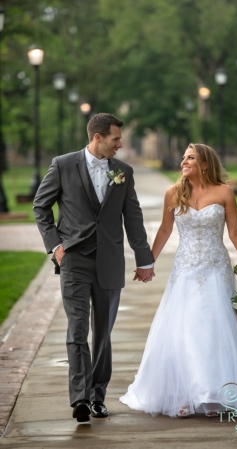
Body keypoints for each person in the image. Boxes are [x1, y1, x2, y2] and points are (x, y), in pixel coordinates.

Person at [120, 143, 237, 418]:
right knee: (185, 329)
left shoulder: (224, 193)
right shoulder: (173, 193)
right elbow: (164, 230)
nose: (184, 162)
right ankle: (183, 394)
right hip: (185, 271)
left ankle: (215, 393)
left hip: (216, 270)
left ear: (205, 164)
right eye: (183, 157)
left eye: (190, 158)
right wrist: (148, 263)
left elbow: (236, 233)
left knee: (213, 330)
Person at [33, 112, 155, 423]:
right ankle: (80, 399)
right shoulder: (63, 165)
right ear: (97, 137)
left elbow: (134, 217)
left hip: (110, 263)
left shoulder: (123, 172)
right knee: (77, 331)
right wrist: (56, 245)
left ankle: (98, 395)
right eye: (115, 138)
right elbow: (41, 206)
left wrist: (144, 258)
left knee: (102, 334)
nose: (120, 143)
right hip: (73, 259)